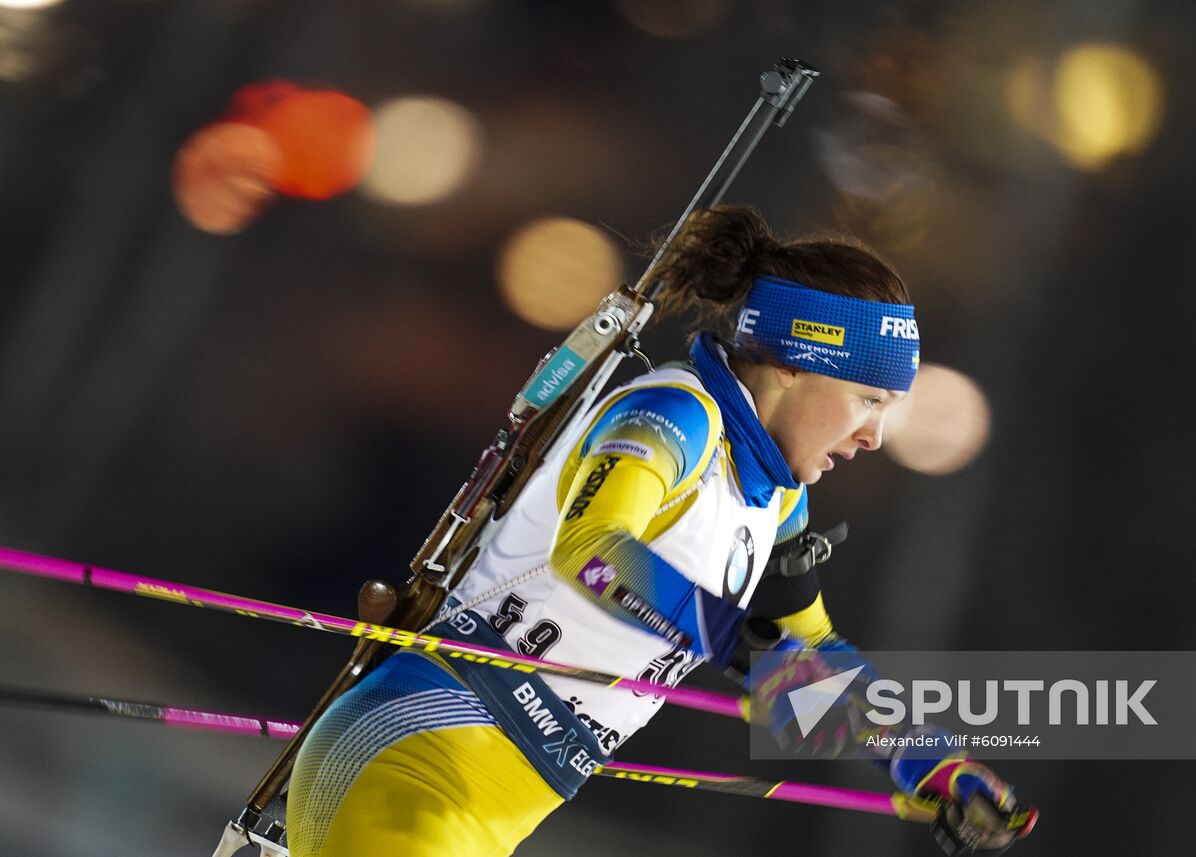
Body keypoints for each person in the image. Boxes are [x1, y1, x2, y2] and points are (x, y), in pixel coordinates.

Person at [285, 206, 1028, 856]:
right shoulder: (676, 416)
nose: (873, 434)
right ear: (799, 361)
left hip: (487, 807)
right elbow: (593, 552)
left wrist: (930, 765)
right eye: (868, 398)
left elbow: (812, 656)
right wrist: (739, 645)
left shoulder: (774, 501)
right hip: (410, 758)